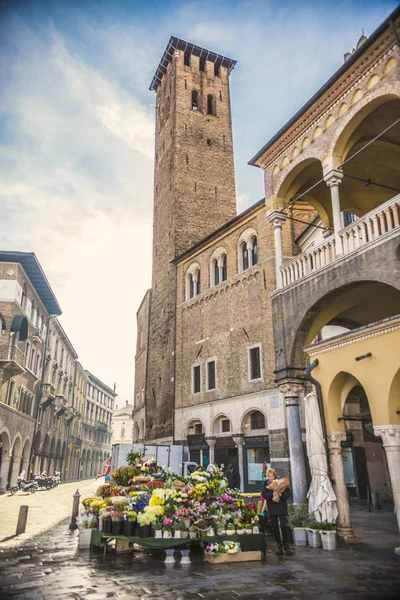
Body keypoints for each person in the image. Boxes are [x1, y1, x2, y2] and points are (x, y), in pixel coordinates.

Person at [261, 468, 293, 556]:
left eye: (270, 476)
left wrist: (281, 494)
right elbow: (264, 494)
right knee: (274, 527)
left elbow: (288, 493)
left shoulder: (281, 482)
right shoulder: (266, 484)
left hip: (281, 507)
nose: (268, 478)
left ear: (274, 475)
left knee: (283, 525)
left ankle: (286, 545)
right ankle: (279, 545)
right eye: (267, 476)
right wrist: (272, 494)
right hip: (272, 508)